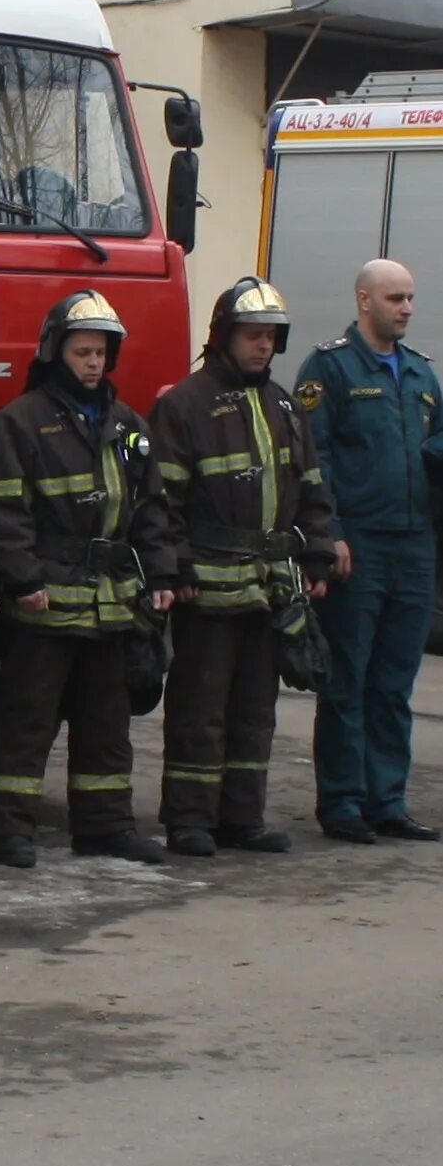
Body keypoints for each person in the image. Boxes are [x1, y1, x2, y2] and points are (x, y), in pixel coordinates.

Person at [0, 291, 178, 867]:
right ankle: (8, 830)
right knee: (26, 718)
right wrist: (22, 579)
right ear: (55, 353)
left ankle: (105, 827)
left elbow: (151, 509)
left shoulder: (128, 424)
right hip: (46, 601)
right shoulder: (23, 420)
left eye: (100, 353)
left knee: (106, 721)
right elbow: (6, 512)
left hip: (112, 602)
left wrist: (159, 573)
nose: (93, 362)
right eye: (82, 351)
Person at [149, 277, 338, 857]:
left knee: (256, 710)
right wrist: (172, 569)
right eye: (253, 335)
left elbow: (311, 486)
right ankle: (189, 820)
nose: (263, 347)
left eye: (271, 337)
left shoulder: (283, 403)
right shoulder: (184, 404)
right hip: (207, 585)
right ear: (224, 336)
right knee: (200, 709)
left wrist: (318, 551)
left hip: (270, 587)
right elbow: (162, 501)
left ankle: (243, 817)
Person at [293, 259, 443, 843]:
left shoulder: (422, 374)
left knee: (394, 683)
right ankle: (344, 804)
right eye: (395, 298)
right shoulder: (329, 368)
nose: (406, 308)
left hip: (414, 546)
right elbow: (315, 458)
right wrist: (332, 533)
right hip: (361, 545)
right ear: (364, 301)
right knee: (348, 678)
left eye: (410, 298)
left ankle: (387, 801)